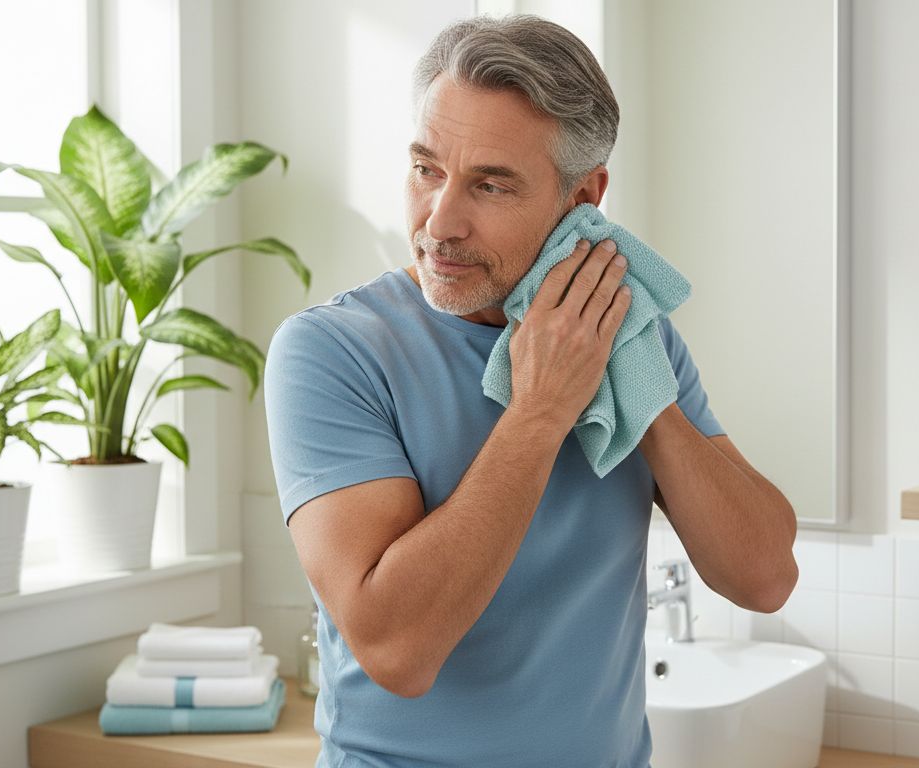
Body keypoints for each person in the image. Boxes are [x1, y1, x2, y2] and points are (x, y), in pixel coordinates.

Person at [264, 14, 798, 768]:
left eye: (490, 184)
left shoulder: (625, 335)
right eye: (426, 169)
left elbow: (765, 577)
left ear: (583, 198)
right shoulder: (333, 351)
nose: (440, 221)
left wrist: (633, 381)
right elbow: (396, 650)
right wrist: (542, 409)